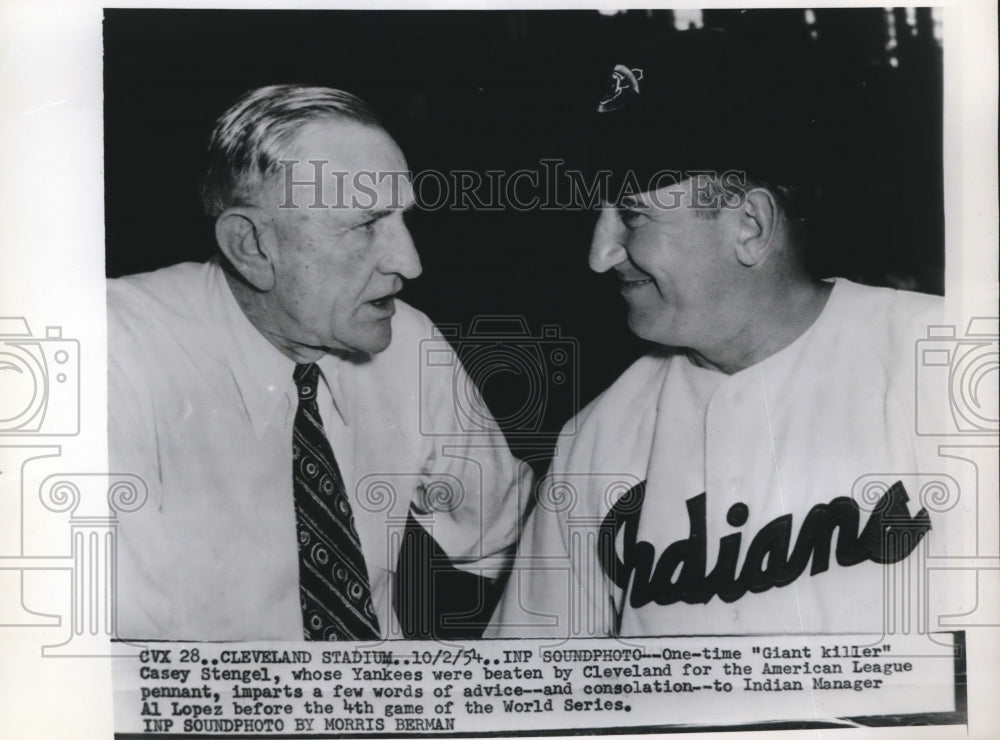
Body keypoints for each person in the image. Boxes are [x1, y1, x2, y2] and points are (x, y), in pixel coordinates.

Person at [488, 31, 963, 638]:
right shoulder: (596, 438)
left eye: (631, 215)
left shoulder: (945, 358)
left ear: (750, 226)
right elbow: (535, 675)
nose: (600, 255)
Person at [108, 85, 530, 641]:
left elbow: (517, 539)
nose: (410, 263)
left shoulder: (406, 340)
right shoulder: (113, 352)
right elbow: (114, 660)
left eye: (402, 219)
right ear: (252, 246)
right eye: (365, 225)